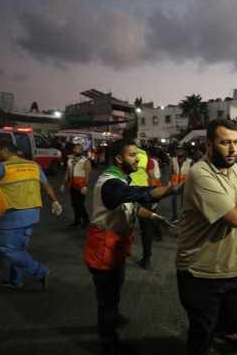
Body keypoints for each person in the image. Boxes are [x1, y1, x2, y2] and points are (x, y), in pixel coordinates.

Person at [176, 119, 237, 355]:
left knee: (236, 320)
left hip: (236, 270)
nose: (233, 148)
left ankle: (220, 328)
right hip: (201, 273)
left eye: (236, 142)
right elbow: (235, 217)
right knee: (202, 333)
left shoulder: (235, 169)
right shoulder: (200, 174)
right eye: (225, 142)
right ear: (208, 144)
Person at [84, 139, 178, 354]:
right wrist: (175, 189)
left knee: (116, 287)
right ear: (118, 158)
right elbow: (139, 195)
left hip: (115, 248)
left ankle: (113, 316)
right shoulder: (109, 182)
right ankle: (109, 344)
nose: (138, 159)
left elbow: (132, 206)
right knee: (106, 300)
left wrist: (154, 217)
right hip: (103, 250)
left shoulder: (120, 179)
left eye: (138, 155)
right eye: (132, 155)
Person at [0, 141, 62, 290]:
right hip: (33, 213)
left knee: (8, 249)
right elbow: (46, 185)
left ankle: (41, 272)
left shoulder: (0, 167)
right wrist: (55, 202)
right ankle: (15, 280)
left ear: (6, 151)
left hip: (13, 213)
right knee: (19, 249)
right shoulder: (33, 165)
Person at [129, 141, 161, 269]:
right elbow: (152, 177)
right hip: (143, 194)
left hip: (128, 193)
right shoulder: (144, 156)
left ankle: (122, 252)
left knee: (125, 226)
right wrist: (152, 196)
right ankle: (147, 258)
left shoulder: (124, 154)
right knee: (146, 228)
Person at [61, 143, 91, 228]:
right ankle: (77, 221)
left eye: (81, 149)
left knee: (80, 204)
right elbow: (68, 172)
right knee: (74, 204)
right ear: (74, 150)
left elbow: (88, 173)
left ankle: (86, 221)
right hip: (72, 184)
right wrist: (64, 183)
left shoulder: (85, 161)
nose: (79, 150)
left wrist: (86, 185)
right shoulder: (70, 160)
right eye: (77, 148)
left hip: (81, 184)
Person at [170, 145, 192, 223]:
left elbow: (191, 173)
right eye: (178, 151)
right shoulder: (173, 160)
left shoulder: (189, 161)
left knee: (184, 202)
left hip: (184, 184)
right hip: (174, 184)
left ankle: (183, 217)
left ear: (184, 152)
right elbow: (171, 172)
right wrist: (170, 183)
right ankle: (175, 217)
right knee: (173, 200)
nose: (179, 152)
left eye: (181, 151)